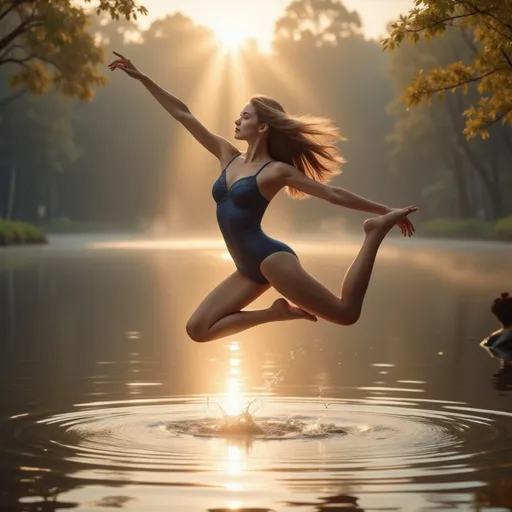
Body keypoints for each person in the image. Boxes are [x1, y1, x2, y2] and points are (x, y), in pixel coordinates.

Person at [108, 51, 418, 343]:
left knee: (346, 313)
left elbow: (333, 194)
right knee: (198, 329)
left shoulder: (275, 171)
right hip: (247, 268)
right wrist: (142, 77)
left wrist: (385, 210)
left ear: (263, 126)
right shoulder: (227, 155)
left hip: (271, 260)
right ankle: (274, 313)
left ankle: (373, 232)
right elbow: (183, 114)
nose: (237, 121)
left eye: (244, 116)